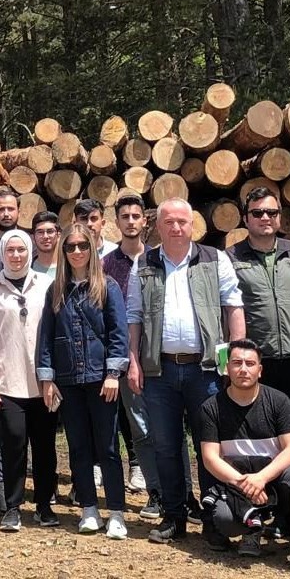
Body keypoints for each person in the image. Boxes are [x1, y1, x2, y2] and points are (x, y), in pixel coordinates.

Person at [126, 198, 245, 544]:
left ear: (192, 224)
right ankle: (174, 515)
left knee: (210, 445)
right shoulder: (144, 262)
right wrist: (133, 361)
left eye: (182, 221)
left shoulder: (213, 258)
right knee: (164, 445)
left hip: (206, 369)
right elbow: (134, 316)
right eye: (169, 222)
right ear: (158, 227)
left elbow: (233, 306)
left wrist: (236, 359)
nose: (176, 228)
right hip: (159, 370)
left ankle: (213, 519)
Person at [194, 341, 290, 575]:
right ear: (226, 368)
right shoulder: (211, 408)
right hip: (237, 485)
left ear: (260, 370)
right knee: (224, 520)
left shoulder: (279, 401)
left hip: (274, 481)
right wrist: (246, 484)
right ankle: (251, 532)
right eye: (237, 363)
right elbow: (210, 458)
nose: (244, 369)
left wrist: (261, 479)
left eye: (250, 364)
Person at [38, 224, 130, 537]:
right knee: (78, 447)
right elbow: (46, 337)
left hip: (101, 380)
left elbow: (118, 333)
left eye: (82, 246)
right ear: (63, 252)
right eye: (71, 247)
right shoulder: (56, 289)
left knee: (107, 447)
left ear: (92, 249)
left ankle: (116, 511)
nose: (77, 251)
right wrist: (47, 378)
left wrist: (113, 373)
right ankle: (89, 509)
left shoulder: (108, 286)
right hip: (68, 380)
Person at [0, 230, 57, 530]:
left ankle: (44, 506)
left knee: (45, 447)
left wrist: (54, 377)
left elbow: (53, 334)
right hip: (7, 381)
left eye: (21, 250)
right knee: (13, 446)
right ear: (2, 253)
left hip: (42, 382)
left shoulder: (46, 285)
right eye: (10, 250)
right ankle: (12, 506)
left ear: (29, 252)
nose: (15, 255)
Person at [228, 187, 290, 405]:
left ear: (279, 217)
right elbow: (224, 313)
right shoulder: (230, 258)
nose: (265, 218)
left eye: (272, 212)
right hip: (255, 361)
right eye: (257, 213)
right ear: (245, 219)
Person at [102, 193, 160, 516]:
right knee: (139, 428)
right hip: (124, 360)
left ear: (144, 221)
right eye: (125, 216)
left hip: (157, 359)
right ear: (117, 222)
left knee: (163, 428)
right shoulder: (106, 264)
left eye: (136, 216)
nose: (131, 222)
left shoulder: (156, 260)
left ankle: (176, 490)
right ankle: (155, 491)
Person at [0, 185, 21, 250]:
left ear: (19, 213)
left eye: (10, 209)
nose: (6, 214)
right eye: (1, 209)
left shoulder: (30, 244)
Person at [31, 211, 61, 278]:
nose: (45, 236)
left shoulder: (70, 268)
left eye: (50, 231)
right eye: (40, 232)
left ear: (59, 235)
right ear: (33, 237)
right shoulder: (26, 269)